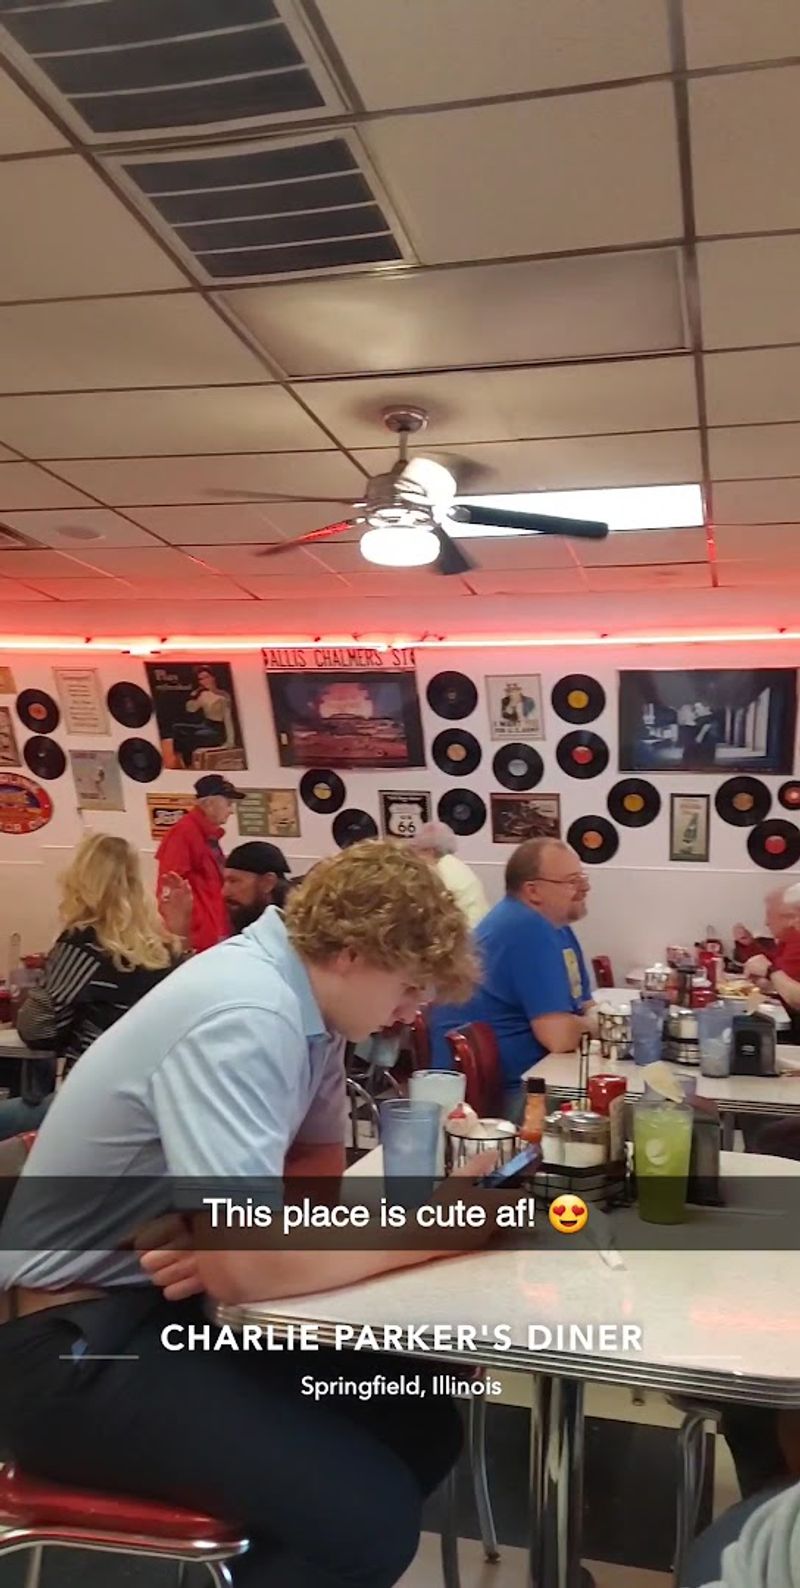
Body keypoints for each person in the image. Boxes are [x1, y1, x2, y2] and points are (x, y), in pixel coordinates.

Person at [0, 841, 501, 1588]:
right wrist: (431, 1229)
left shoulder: (310, 1011)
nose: (416, 1008)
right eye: (412, 984)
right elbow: (251, 1269)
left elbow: (311, 1185)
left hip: (149, 1306)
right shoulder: (248, 1010)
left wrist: (230, 1244)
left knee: (418, 1418)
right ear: (354, 954)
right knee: (367, 1521)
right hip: (62, 1350)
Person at [0, 834, 187, 1141]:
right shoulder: (166, 948)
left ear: (81, 880)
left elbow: (37, 1029)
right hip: (150, 1103)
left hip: (92, 1103)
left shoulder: (83, 944)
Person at [427, 837, 595, 1119]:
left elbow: (584, 1003)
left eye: (582, 878)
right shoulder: (526, 928)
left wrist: (590, 1022)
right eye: (571, 881)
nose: (584, 888)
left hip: (527, 1078)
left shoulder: (555, 927)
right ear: (533, 891)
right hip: (494, 1099)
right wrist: (598, 1027)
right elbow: (558, 1036)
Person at [156, 773, 244, 951]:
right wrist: (188, 935)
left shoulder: (205, 835)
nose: (231, 810)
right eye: (228, 803)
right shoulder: (184, 835)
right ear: (209, 804)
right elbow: (170, 890)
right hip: (199, 938)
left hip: (213, 931)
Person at [407, 821, 489, 929]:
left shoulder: (438, 874)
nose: (413, 856)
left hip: (465, 936)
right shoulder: (458, 867)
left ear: (430, 851)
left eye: (416, 849)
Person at [172, 665, 236, 769]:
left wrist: (230, 741)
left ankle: (191, 764)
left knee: (194, 736)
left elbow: (228, 718)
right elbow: (191, 709)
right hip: (206, 724)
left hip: (217, 729)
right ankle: (182, 761)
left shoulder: (223, 696)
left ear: (213, 677)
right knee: (177, 728)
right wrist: (194, 695)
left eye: (206, 677)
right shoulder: (204, 694)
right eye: (201, 679)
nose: (204, 681)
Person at [222, 841, 292, 930]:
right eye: (224, 881)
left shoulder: (299, 934)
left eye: (234, 881)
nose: (224, 892)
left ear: (268, 883)